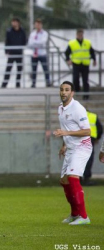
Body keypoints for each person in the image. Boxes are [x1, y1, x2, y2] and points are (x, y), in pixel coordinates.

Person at [53, 81, 92, 225]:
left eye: (67, 90)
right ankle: (75, 214)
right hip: (70, 148)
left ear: (72, 92)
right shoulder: (61, 108)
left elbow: (88, 131)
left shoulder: (77, 108)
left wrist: (65, 133)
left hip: (82, 146)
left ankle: (84, 216)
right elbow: (66, 127)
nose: (63, 92)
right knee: (64, 181)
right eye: (62, 89)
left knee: (73, 177)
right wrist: (64, 144)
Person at [65, 29, 96, 99]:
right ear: (76, 34)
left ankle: (86, 95)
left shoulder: (87, 42)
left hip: (85, 63)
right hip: (76, 63)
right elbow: (67, 52)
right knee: (75, 78)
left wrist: (94, 60)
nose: (80, 36)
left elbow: (92, 52)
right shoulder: (72, 43)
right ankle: (77, 90)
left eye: (81, 34)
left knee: (85, 80)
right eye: (79, 34)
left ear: (83, 34)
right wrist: (68, 59)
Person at [1, 17, 27, 88]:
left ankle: (18, 84)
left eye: (15, 22)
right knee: (8, 68)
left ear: (18, 23)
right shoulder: (9, 31)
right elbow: (7, 41)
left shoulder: (22, 31)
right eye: (13, 22)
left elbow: (25, 40)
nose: (13, 23)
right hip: (12, 52)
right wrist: (6, 51)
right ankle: (4, 84)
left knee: (19, 68)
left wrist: (22, 47)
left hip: (19, 52)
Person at [28, 18, 51, 88]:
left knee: (45, 68)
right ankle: (33, 83)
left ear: (41, 25)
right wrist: (37, 43)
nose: (37, 26)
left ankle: (48, 82)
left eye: (39, 24)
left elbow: (43, 42)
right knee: (34, 69)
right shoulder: (32, 33)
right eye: (36, 24)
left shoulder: (44, 33)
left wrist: (35, 43)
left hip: (42, 54)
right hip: (34, 54)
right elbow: (30, 43)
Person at [82, 110, 102, 185]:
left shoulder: (78, 116)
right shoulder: (93, 116)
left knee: (79, 159)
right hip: (90, 139)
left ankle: (78, 178)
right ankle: (86, 179)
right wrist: (97, 138)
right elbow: (100, 129)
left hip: (79, 139)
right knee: (89, 159)